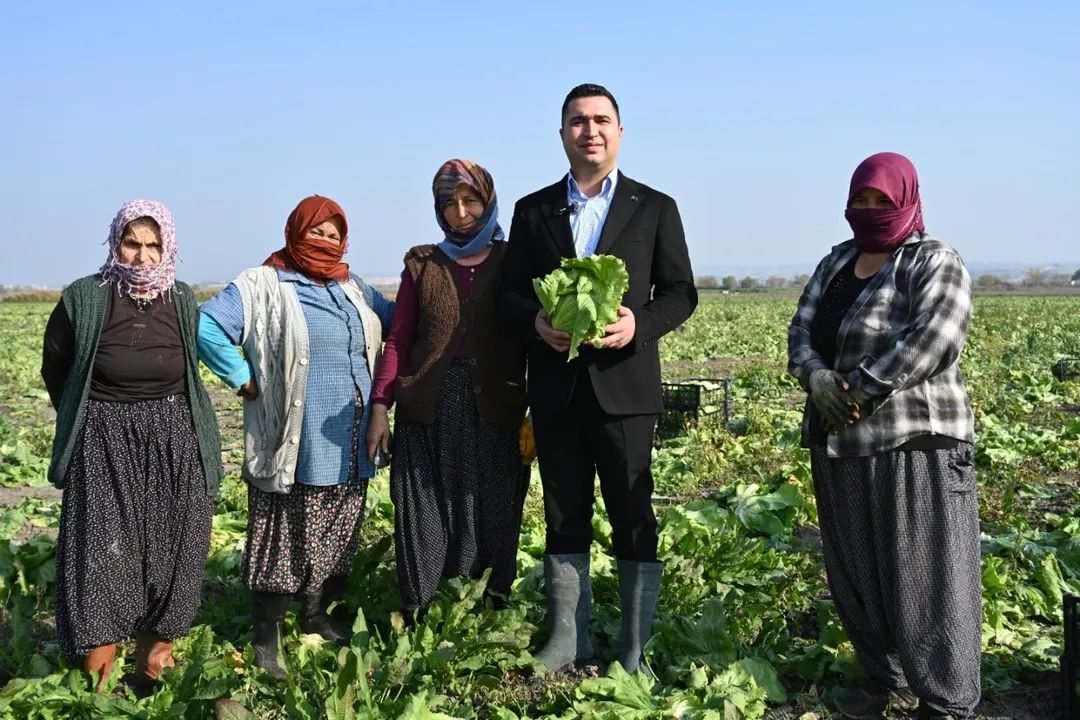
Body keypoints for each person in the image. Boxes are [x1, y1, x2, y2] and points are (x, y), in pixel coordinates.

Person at [497, 84, 697, 674]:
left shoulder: (654, 206)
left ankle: (633, 649)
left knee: (633, 510)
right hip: (556, 390)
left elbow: (682, 293)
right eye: (578, 121)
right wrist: (537, 321)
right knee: (563, 512)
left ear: (620, 131)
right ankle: (569, 640)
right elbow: (509, 295)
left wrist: (639, 323)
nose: (591, 131)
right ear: (562, 134)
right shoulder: (533, 210)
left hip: (626, 388)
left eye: (601, 120)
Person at [787, 152, 980, 719]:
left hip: (914, 442)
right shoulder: (837, 262)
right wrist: (818, 378)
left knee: (927, 574)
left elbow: (936, 336)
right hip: (840, 442)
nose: (870, 211)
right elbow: (802, 330)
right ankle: (888, 679)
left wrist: (863, 389)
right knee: (858, 573)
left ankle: (947, 701)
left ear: (907, 199)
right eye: (861, 201)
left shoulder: (933, 260)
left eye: (882, 201)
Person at [197, 195, 393, 680]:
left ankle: (317, 615)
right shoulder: (263, 283)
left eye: (333, 233)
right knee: (281, 540)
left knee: (338, 534)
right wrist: (241, 376)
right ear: (294, 232)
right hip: (294, 439)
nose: (324, 240)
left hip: (350, 439)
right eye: (316, 231)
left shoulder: (354, 288)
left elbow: (401, 320)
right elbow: (206, 326)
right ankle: (267, 639)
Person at [41, 200, 222, 693]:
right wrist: (85, 417)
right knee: (101, 555)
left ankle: (148, 677)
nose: (142, 256)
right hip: (102, 439)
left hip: (174, 438)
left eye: (153, 245)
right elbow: (55, 367)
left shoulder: (182, 298)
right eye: (132, 243)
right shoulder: (85, 297)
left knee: (173, 554)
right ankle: (100, 691)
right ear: (115, 242)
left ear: (167, 247)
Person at [367, 159, 528, 620]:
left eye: (470, 200)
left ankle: (489, 608)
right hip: (430, 406)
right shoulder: (422, 263)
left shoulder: (512, 261)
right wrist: (381, 405)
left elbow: (532, 335)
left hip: (496, 405)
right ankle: (423, 610)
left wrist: (536, 409)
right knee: (425, 510)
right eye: (449, 203)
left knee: (493, 509)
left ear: (488, 201)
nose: (460, 211)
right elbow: (398, 339)